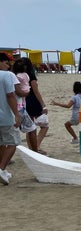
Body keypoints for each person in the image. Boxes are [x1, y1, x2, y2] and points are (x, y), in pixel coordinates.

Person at [0, 53, 21, 185]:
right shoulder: (6, 75)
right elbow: (10, 96)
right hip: (5, 116)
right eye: (7, 63)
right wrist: (17, 114)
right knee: (13, 143)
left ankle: (4, 169)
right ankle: (1, 169)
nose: (8, 65)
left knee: (1, 144)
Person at [11, 58, 38, 152]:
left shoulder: (15, 76)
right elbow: (22, 93)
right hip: (20, 108)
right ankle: (35, 151)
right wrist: (26, 93)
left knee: (11, 132)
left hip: (17, 107)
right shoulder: (24, 76)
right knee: (32, 129)